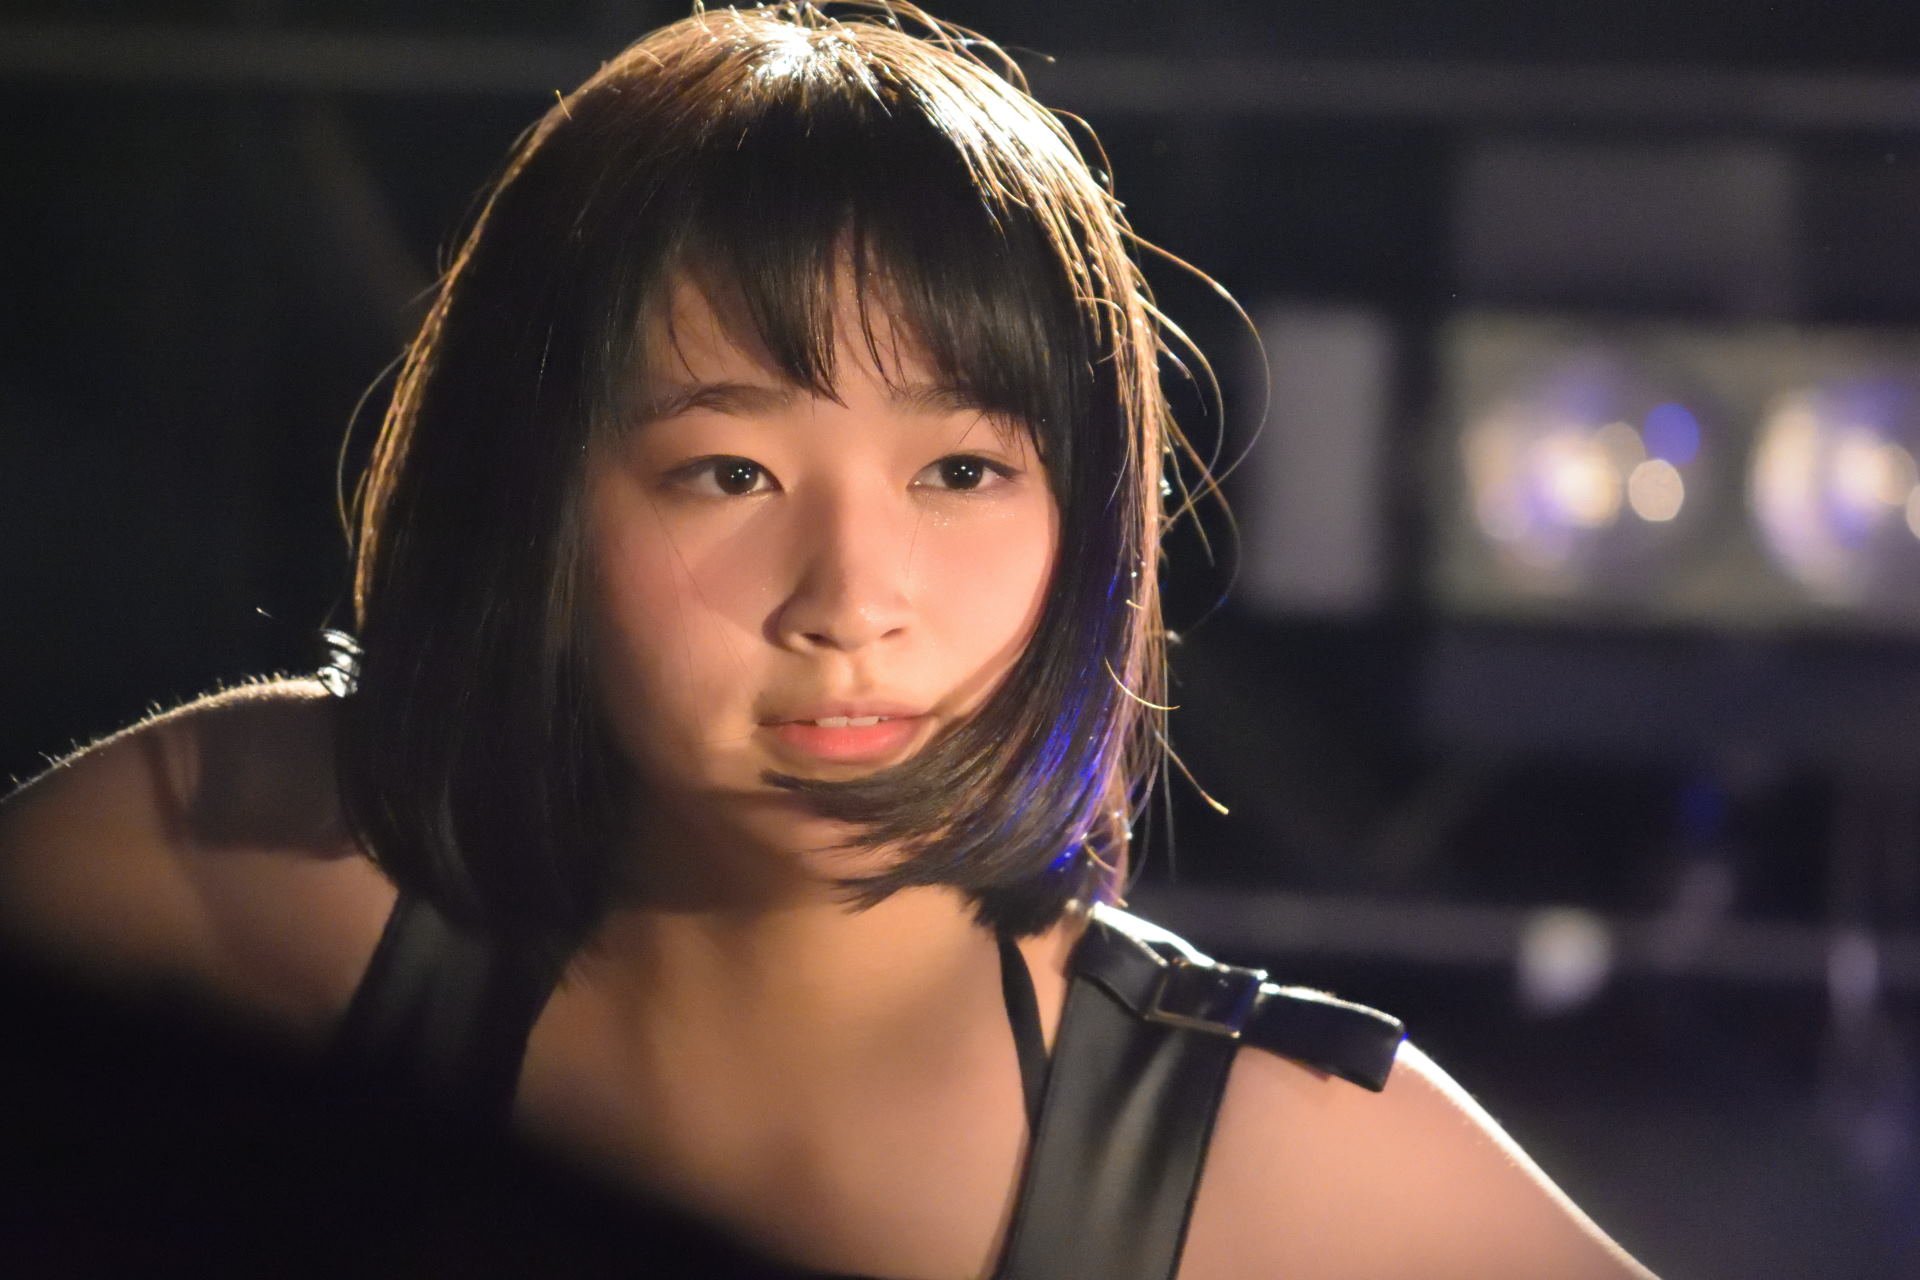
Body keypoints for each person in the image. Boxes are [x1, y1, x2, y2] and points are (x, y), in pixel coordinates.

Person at [0, 4, 1658, 1277]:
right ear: (536, 496)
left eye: (960, 473)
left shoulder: (1286, 1169)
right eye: (730, 473)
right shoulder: (240, 865)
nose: (852, 599)